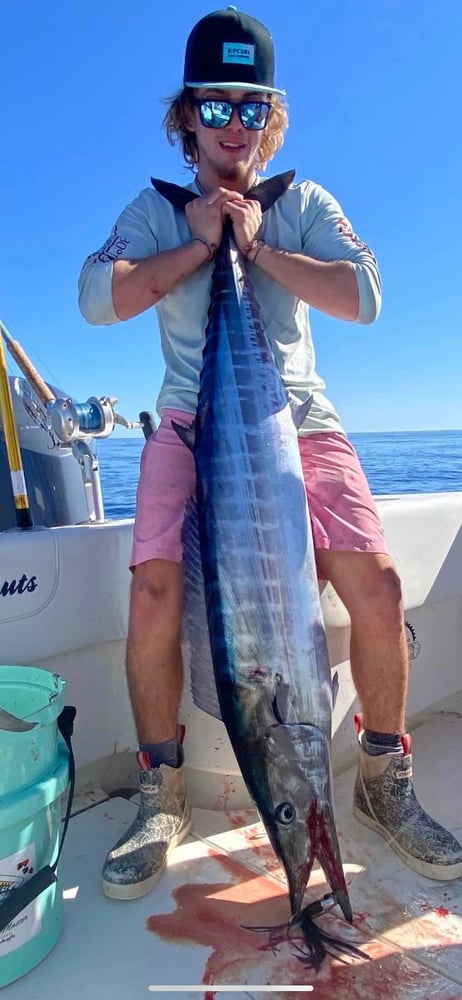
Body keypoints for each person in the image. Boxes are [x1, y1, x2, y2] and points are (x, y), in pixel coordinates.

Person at [78, 7, 462, 900]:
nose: (234, 126)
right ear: (187, 120)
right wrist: (199, 243)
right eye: (214, 109)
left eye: (251, 107)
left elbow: (364, 296)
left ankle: (381, 781)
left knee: (377, 584)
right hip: (191, 422)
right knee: (149, 593)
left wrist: (254, 248)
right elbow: (100, 298)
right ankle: (160, 790)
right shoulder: (153, 212)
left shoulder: (305, 203)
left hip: (304, 422)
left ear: (271, 116)